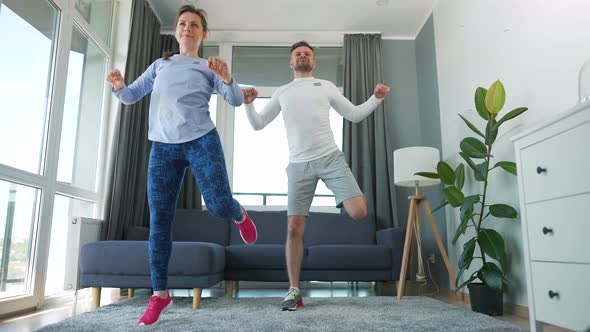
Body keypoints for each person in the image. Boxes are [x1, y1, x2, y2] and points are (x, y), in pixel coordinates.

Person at [106, 5, 257, 325]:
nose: (187, 28)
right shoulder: (160, 65)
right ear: (176, 31)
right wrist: (119, 86)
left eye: (194, 25)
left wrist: (228, 78)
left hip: (202, 141)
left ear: (203, 34)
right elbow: (131, 96)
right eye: (183, 24)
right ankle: (160, 294)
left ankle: (238, 212)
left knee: (217, 206)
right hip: (162, 148)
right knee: (160, 220)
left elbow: (233, 99)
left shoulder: (208, 66)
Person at [242, 41, 390, 311]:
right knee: (293, 227)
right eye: (297, 54)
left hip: (330, 158)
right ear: (291, 62)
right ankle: (294, 291)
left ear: (313, 61)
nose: (302, 56)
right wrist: (249, 105)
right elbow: (258, 124)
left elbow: (354, 114)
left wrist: (376, 98)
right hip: (299, 165)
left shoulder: (326, 86)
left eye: (307, 54)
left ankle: (340, 193)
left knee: (358, 212)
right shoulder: (282, 92)